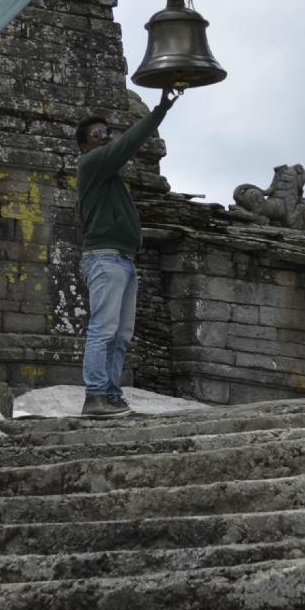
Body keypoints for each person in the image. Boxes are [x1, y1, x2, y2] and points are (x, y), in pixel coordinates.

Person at [74, 87, 182, 416]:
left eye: (108, 132)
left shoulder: (109, 179)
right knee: (103, 329)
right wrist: (160, 110)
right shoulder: (92, 164)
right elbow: (128, 144)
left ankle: (110, 394)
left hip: (122, 260)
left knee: (121, 335)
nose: (105, 137)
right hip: (105, 259)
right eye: (97, 134)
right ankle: (95, 395)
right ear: (84, 144)